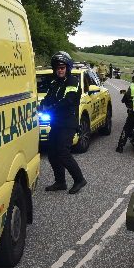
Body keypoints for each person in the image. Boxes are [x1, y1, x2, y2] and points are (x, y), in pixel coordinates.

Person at [39, 51, 87, 194]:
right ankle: (60, 182)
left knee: (62, 152)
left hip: (68, 122)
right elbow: (48, 98)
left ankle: (79, 180)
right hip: (56, 122)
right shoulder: (55, 83)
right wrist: (40, 106)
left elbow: (69, 99)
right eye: (58, 67)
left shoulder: (72, 82)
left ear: (67, 68)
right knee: (52, 153)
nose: (60, 70)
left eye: (62, 67)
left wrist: (52, 107)